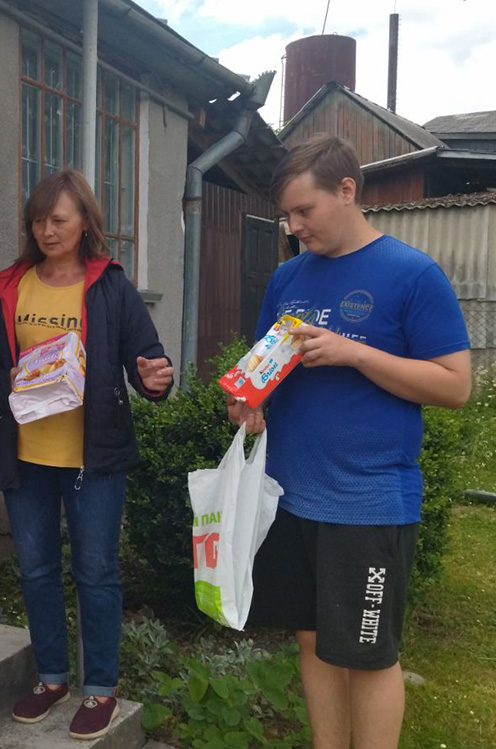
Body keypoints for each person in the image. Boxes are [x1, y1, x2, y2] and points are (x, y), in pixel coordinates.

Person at [230, 135, 471, 748]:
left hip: (368, 501)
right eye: (287, 213)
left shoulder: (412, 274)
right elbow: (263, 370)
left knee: (366, 654)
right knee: (311, 640)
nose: (294, 225)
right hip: (290, 495)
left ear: (347, 191)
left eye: (304, 211)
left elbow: (454, 385)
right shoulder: (288, 276)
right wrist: (248, 402)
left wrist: (354, 353)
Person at [0, 170, 174, 741]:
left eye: (59, 219)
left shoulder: (110, 287)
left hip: (94, 459)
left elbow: (147, 363)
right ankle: (52, 676)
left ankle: (99, 687)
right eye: (38, 220)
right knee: (35, 571)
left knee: (96, 573)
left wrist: (156, 379)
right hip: (26, 457)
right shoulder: (12, 285)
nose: (47, 230)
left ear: (85, 222)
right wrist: (7, 380)